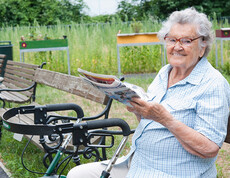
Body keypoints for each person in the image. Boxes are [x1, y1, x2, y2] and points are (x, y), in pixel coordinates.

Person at [67, 7, 230, 178]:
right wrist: (140, 110)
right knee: (77, 174)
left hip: (171, 172)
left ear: (203, 46)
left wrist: (165, 118)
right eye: (171, 39)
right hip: (137, 162)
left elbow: (209, 148)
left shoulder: (213, 83)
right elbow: (150, 121)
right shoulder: (164, 72)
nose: (177, 47)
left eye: (186, 41)